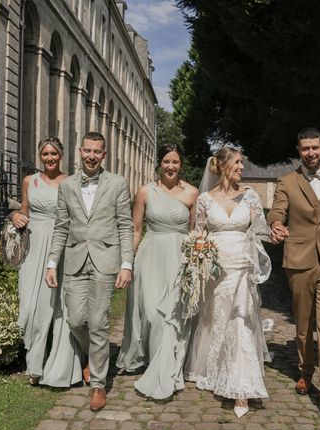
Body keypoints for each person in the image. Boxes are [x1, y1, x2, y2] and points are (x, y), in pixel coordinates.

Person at [46, 131, 133, 412]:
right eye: (88, 151)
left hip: (105, 261)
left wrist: (126, 264)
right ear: (80, 152)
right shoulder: (68, 186)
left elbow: (125, 226)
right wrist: (51, 263)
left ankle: (98, 384)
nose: (92, 156)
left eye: (97, 151)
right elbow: (60, 227)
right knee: (75, 321)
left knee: (98, 323)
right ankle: (92, 355)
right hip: (74, 261)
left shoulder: (118, 184)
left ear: (104, 155)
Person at [267, 127, 320, 410]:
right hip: (299, 260)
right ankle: (305, 371)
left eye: (315, 147)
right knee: (303, 325)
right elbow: (277, 210)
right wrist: (276, 224)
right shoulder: (286, 181)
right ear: (299, 150)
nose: (311, 153)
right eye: (305, 149)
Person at [185, 146, 273, 418]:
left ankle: (241, 389)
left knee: (239, 324)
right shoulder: (204, 200)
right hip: (216, 270)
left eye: (242, 163)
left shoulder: (250, 197)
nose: (242, 167)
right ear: (223, 166)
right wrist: (199, 257)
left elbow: (262, 232)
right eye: (237, 162)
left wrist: (275, 232)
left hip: (242, 268)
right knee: (216, 320)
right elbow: (198, 235)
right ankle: (213, 369)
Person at [116, 143, 199, 400]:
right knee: (152, 313)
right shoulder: (145, 192)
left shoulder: (193, 194)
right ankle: (153, 359)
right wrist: (127, 263)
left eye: (175, 162)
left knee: (172, 315)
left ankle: (167, 367)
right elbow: (136, 229)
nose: (170, 167)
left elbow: (196, 232)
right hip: (150, 257)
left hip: (179, 258)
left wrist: (197, 261)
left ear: (180, 164)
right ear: (159, 164)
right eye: (166, 162)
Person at [12, 136, 84, 387]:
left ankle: (55, 366)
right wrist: (14, 217)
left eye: (54, 154)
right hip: (33, 247)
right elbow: (24, 211)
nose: (50, 158)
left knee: (59, 308)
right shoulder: (28, 181)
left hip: (62, 246)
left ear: (61, 155)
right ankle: (34, 360)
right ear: (40, 156)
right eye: (45, 154)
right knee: (31, 307)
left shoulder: (72, 182)